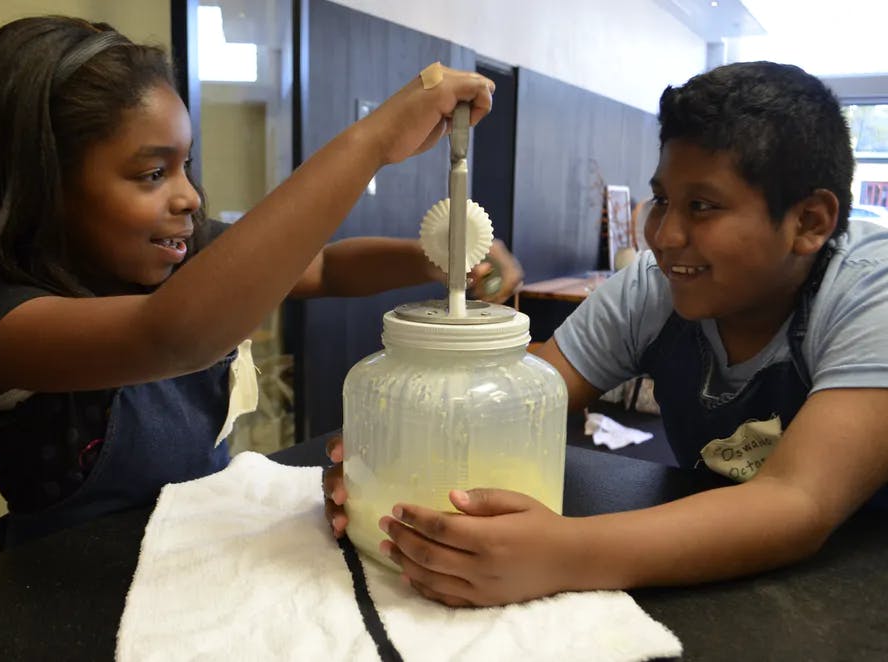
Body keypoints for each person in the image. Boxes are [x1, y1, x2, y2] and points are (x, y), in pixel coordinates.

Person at [0, 16, 517, 554]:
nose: (188, 196)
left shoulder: (177, 255)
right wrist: (374, 140)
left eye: (185, 165)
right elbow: (171, 336)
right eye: (153, 173)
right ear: (37, 183)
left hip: (194, 550)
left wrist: (435, 256)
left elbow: (324, 266)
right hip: (66, 585)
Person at [324, 60, 888, 607]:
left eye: (703, 206)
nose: (665, 236)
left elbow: (797, 501)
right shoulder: (655, 284)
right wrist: (387, 456)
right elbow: (524, 398)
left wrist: (564, 554)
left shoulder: (868, 293)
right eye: (663, 200)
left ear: (810, 222)